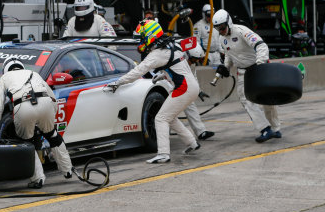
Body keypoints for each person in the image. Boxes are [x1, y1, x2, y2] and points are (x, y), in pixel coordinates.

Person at [105, 19, 200, 163]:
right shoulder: (172, 45)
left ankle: (163, 154)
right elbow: (178, 67)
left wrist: (118, 83)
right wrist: (162, 75)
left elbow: (138, 71)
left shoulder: (157, 54)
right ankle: (192, 143)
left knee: (160, 118)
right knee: (169, 117)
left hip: (184, 88)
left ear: (150, 36)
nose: (140, 41)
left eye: (142, 37)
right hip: (189, 86)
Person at [0, 57, 74, 188]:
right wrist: (49, 120)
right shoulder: (34, 74)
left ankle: (38, 179)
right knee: (53, 136)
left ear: (6, 70)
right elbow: (52, 98)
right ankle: (68, 170)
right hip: (45, 104)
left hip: (23, 106)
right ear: (21, 67)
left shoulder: (4, 78)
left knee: (27, 142)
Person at [212, 9, 281, 143]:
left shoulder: (242, 31)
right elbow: (228, 54)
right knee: (245, 99)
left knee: (267, 98)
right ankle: (265, 129)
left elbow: (261, 46)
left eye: (222, 28)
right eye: (217, 29)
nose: (221, 31)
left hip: (258, 67)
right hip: (243, 72)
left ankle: (275, 128)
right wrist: (225, 68)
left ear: (229, 23)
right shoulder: (222, 39)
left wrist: (261, 64)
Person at [182, 42, 215, 140]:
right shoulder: (174, 59)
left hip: (179, 87)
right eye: (193, 60)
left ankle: (201, 132)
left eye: (197, 60)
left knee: (190, 104)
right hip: (165, 85)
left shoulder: (190, 62)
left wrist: (199, 91)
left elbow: (193, 77)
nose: (194, 62)